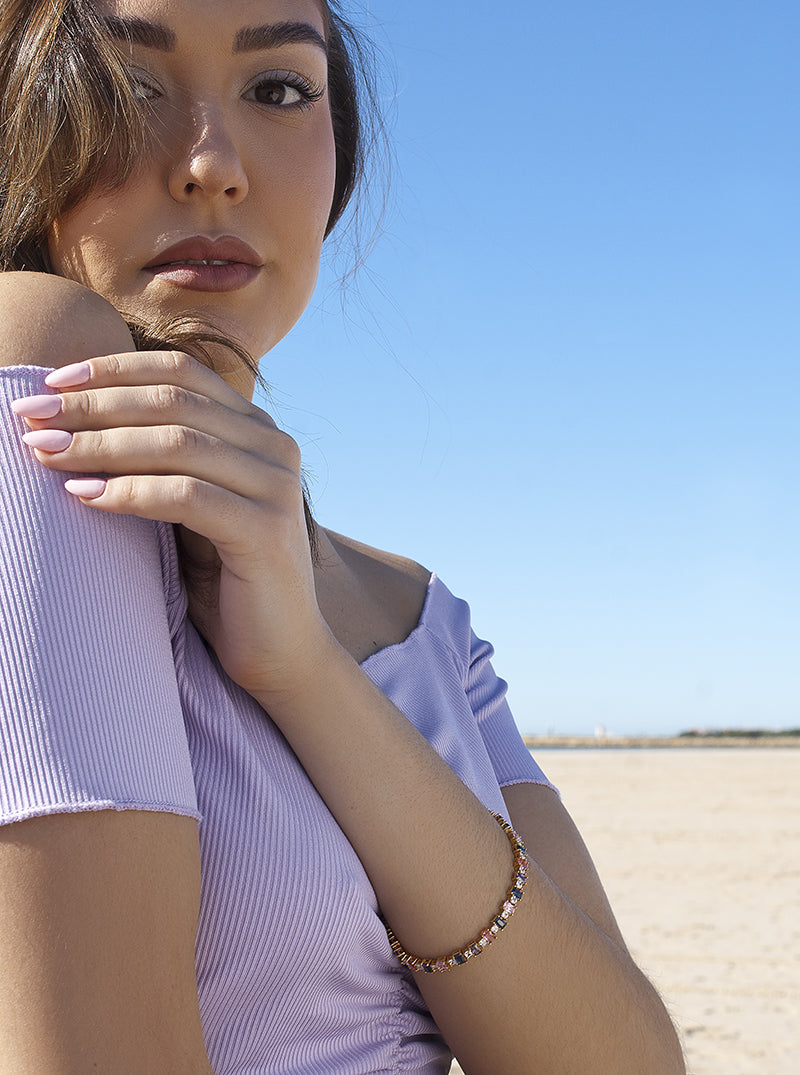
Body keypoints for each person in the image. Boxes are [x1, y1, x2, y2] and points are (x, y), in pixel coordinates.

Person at [0, 2, 687, 1072]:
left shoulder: (415, 611)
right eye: (130, 87)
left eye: (278, 89)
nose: (213, 165)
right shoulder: (35, 372)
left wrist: (306, 672)